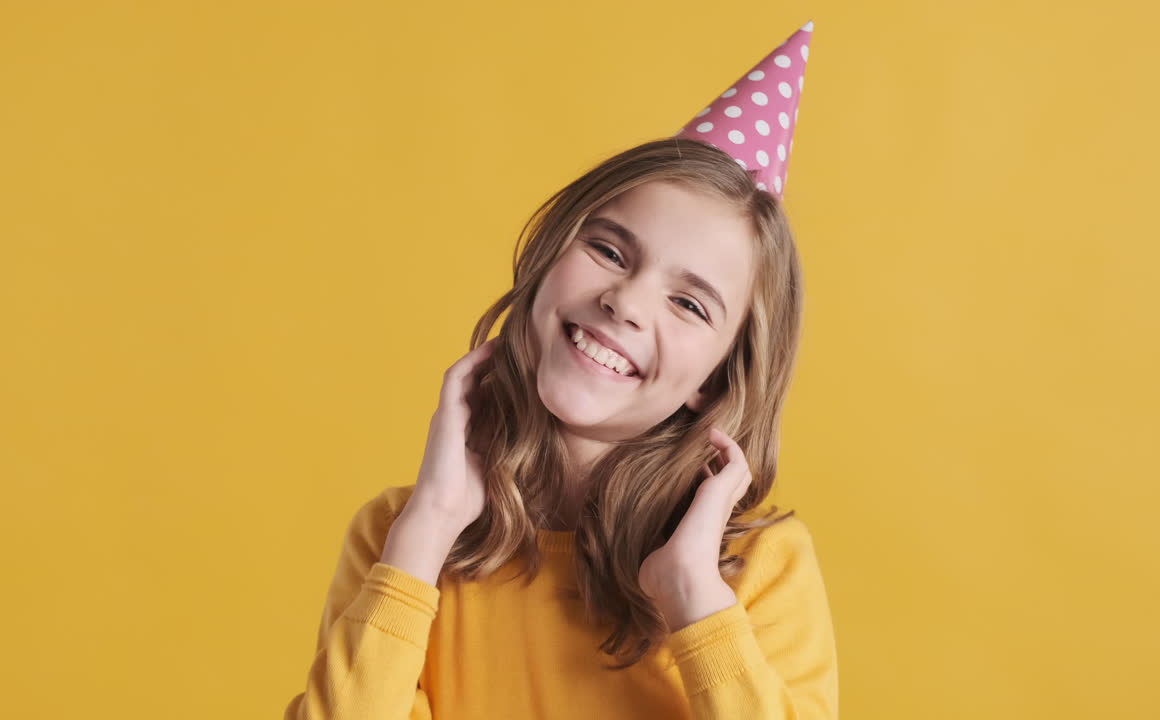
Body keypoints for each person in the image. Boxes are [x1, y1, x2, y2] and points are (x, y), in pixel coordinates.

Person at [284, 20, 837, 719]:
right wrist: (428, 531)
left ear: (716, 382)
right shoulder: (403, 537)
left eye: (689, 303)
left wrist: (696, 599)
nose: (626, 302)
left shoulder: (759, 570)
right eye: (609, 251)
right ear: (547, 259)